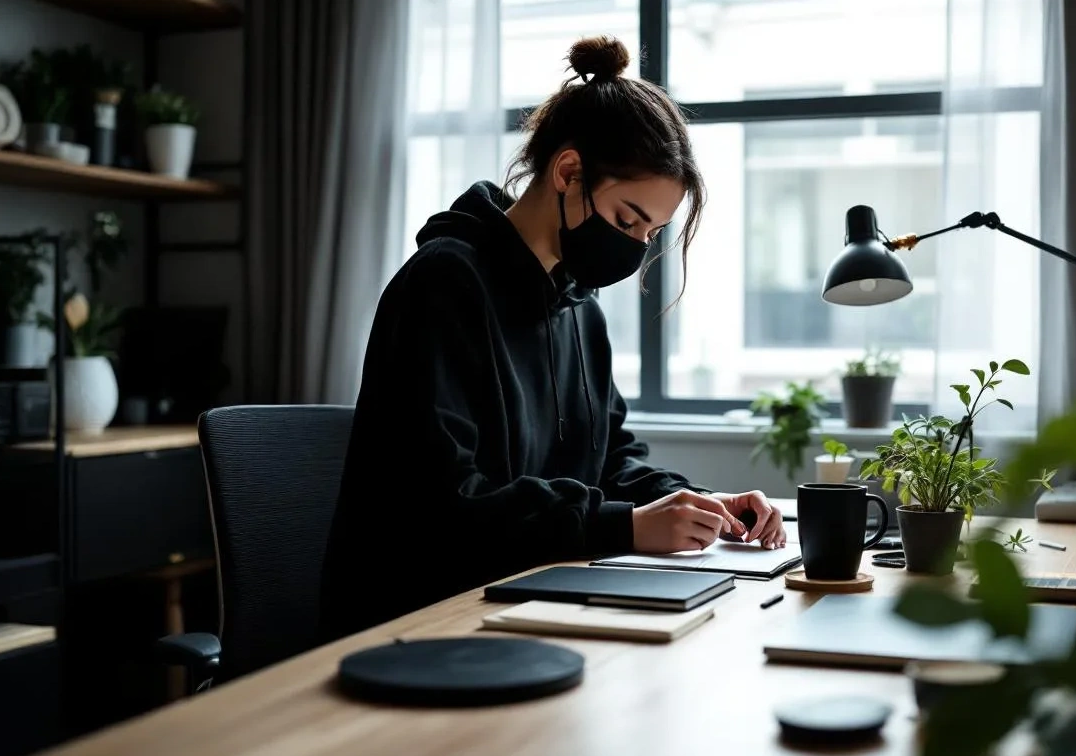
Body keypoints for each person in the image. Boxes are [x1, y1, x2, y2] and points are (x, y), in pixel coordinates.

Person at [320, 35, 786, 640]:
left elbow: (612, 461)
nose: (635, 247)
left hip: (529, 603)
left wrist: (700, 504)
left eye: (651, 232)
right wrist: (623, 526)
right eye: (627, 219)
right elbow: (448, 504)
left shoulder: (580, 311)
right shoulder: (443, 285)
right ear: (569, 172)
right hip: (421, 620)